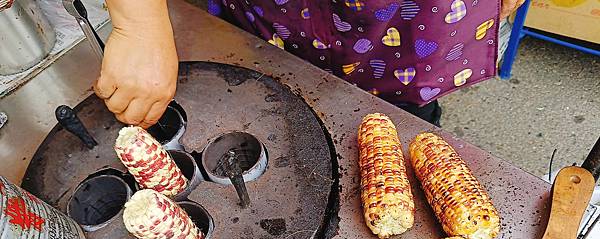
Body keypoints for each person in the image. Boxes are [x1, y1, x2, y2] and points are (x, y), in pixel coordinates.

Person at [95, 0, 523, 128]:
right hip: (280, 14)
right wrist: (140, 23)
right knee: (265, 93)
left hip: (413, 23)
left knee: (401, 118)